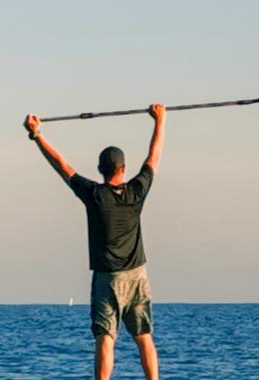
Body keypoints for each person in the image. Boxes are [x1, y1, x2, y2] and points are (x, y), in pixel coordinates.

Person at [23, 104, 166, 380]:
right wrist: (160, 120)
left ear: (101, 169)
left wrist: (37, 135)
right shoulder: (137, 191)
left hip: (107, 280)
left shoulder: (95, 195)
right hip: (138, 276)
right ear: (123, 169)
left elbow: (62, 166)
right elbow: (154, 157)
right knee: (144, 336)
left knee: (105, 339)